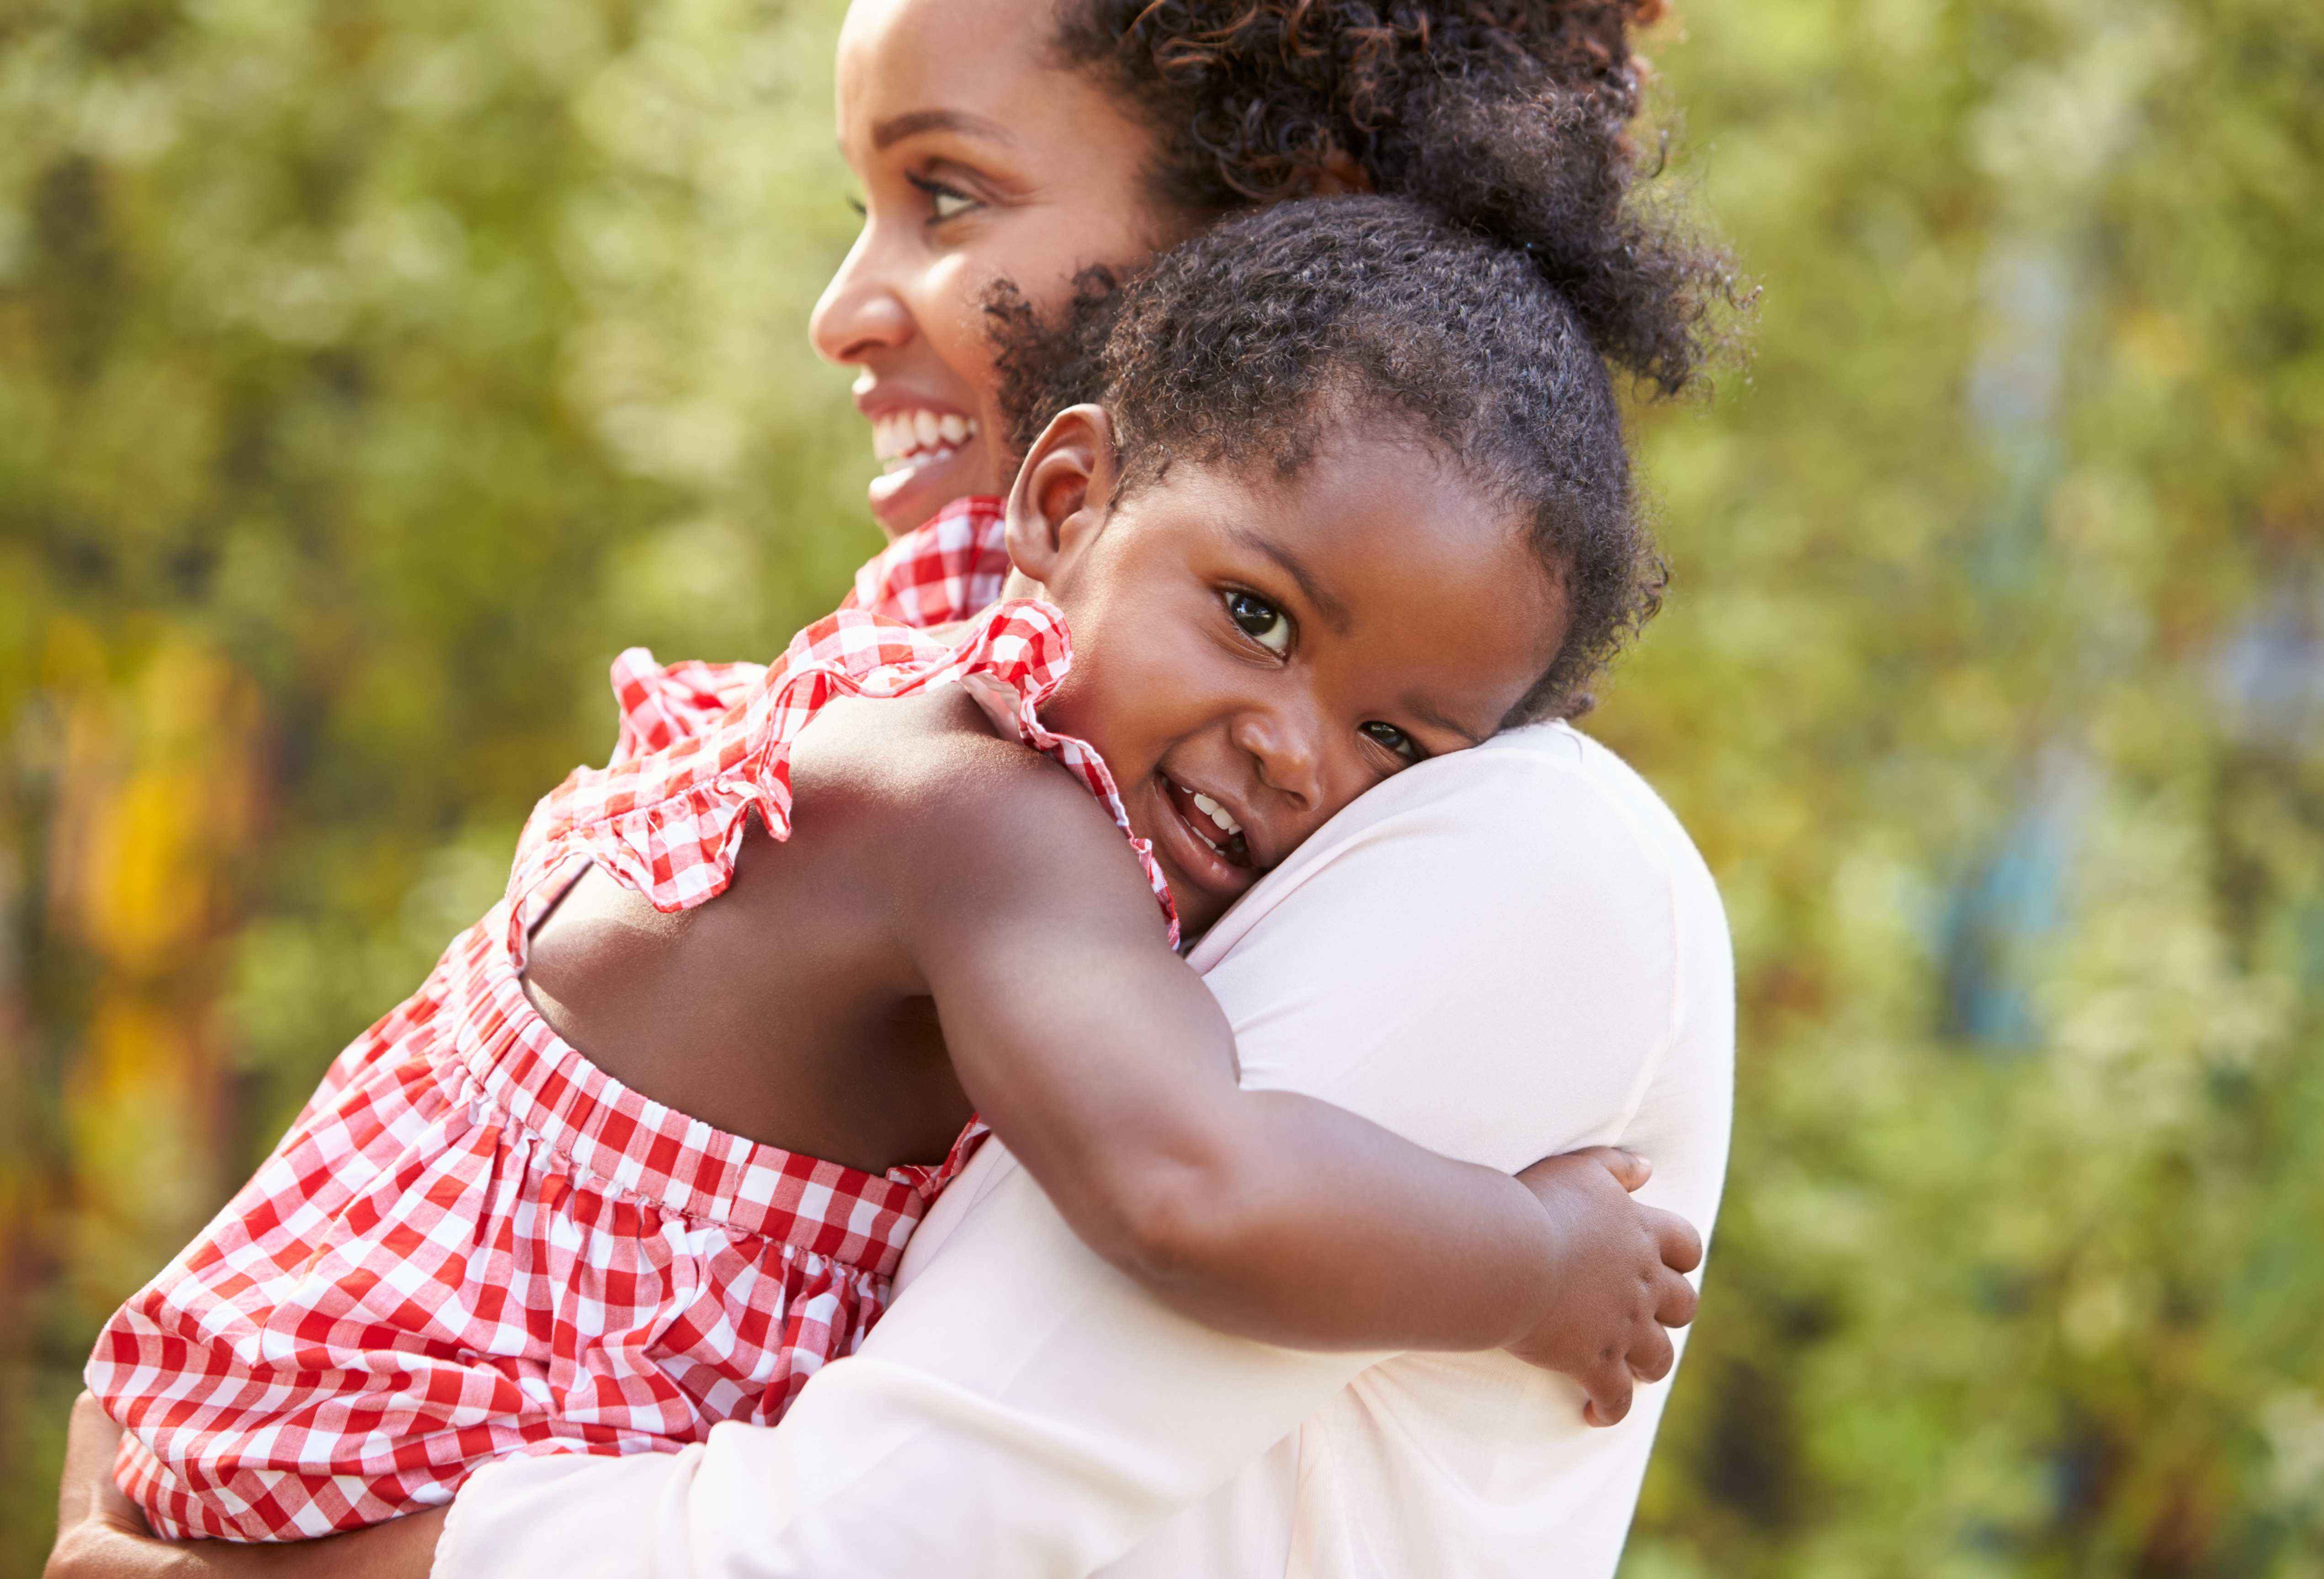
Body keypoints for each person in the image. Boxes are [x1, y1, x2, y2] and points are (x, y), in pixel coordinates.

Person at [49, 0, 1736, 1573]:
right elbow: (1188, 1183)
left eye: (949, 191)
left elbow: (874, 1530)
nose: (1301, 748)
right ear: (1072, 502)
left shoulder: (1513, 857)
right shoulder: (980, 769)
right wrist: (1535, 1265)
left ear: (1280, 201)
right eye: (1252, 617)